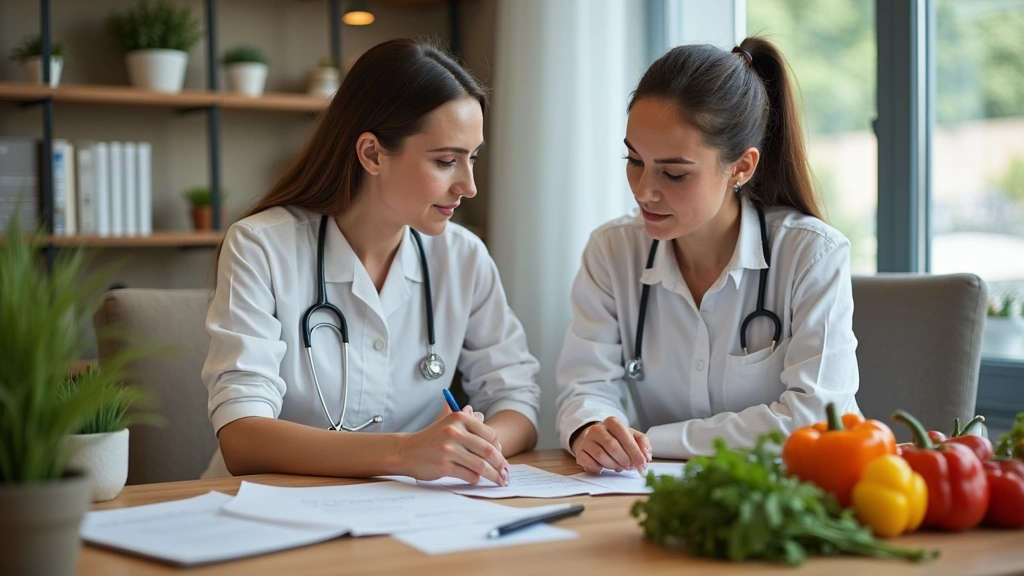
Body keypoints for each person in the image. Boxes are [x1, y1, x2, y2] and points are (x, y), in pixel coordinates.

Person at [202, 39, 540, 486]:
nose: (469, 185)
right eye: (445, 161)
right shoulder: (260, 247)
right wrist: (406, 452)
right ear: (372, 154)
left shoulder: (463, 257)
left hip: (401, 512)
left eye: (471, 159)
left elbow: (517, 400)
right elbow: (242, 439)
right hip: (264, 509)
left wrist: (470, 447)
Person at [555, 38, 860, 474]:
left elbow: (813, 419)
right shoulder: (613, 251)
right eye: (634, 159)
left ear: (741, 167)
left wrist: (648, 440)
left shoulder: (812, 255)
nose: (643, 191)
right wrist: (592, 429)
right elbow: (583, 385)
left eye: (674, 173)